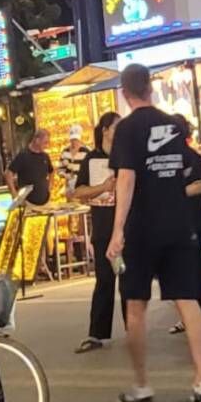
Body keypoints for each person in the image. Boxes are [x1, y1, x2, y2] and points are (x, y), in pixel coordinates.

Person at [105, 62, 201, 402]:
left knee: (135, 305)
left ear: (125, 93)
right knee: (187, 299)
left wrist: (117, 230)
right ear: (150, 87)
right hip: (178, 222)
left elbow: (126, 179)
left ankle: (142, 387)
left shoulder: (126, 129)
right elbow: (185, 169)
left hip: (141, 228)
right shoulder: (172, 124)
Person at [74, 110, 121, 354]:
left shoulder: (125, 155)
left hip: (124, 225)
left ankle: (134, 328)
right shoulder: (91, 159)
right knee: (104, 279)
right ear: (105, 130)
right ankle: (97, 332)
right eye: (116, 127)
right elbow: (78, 191)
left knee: (128, 280)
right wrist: (102, 187)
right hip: (103, 226)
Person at [9, 127, 56, 206]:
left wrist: (49, 187)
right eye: (45, 143)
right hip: (28, 203)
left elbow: (52, 171)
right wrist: (14, 193)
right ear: (37, 140)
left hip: (45, 202)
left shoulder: (45, 156)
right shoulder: (23, 156)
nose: (47, 146)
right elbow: (8, 173)